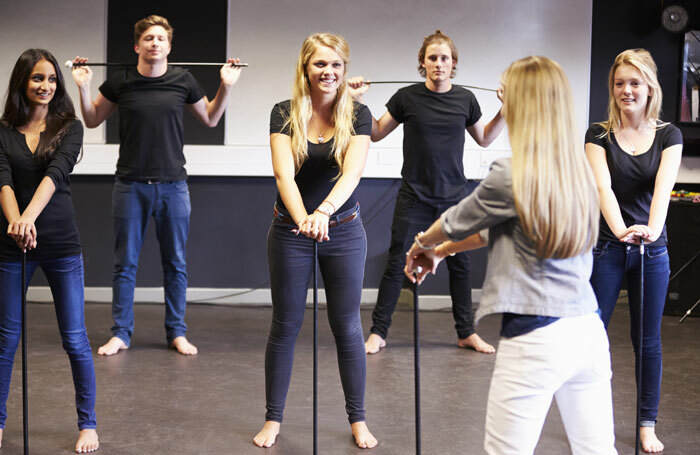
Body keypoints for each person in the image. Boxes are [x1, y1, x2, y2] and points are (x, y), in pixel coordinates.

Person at [405, 56, 617, 454]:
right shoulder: (577, 172)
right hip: (588, 332)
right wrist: (445, 252)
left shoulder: (511, 173)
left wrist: (424, 245)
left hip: (536, 336)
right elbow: (492, 232)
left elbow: (455, 220)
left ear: (521, 104)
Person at [71, 15, 242, 356]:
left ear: (168, 46)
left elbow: (210, 118)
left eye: (160, 38)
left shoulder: (183, 80)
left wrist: (226, 85)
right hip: (130, 185)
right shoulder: (120, 82)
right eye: (148, 38)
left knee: (175, 263)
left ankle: (177, 332)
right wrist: (83, 84)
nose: (154, 43)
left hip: (173, 186)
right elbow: (91, 119)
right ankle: (121, 334)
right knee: (125, 265)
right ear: (138, 46)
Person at [253, 33, 377, 449]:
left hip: (343, 231)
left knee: (347, 327)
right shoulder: (282, 113)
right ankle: (273, 419)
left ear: (344, 70)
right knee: (285, 325)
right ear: (305, 68)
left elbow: (353, 174)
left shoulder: (358, 114)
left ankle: (358, 420)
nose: (328, 72)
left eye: (336, 65)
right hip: (291, 231)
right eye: (320, 64)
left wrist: (323, 213)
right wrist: (304, 218)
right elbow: (283, 174)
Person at [348, 30, 505, 355]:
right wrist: (356, 102)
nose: (438, 63)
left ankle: (466, 332)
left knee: (459, 263)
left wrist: (506, 109)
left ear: (453, 63)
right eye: (432, 57)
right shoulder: (407, 97)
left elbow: (486, 139)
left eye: (444, 57)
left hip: (454, 197)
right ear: (423, 63)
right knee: (396, 263)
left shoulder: (465, 99)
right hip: (414, 196)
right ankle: (378, 332)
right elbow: (376, 132)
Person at [0, 49, 99, 453]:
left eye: (52, 79)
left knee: (74, 338)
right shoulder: (3, 129)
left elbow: (55, 175)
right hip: (10, 244)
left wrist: (28, 219)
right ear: (23, 81)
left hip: (59, 244)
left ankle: (88, 423)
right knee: (5, 339)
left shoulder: (69, 127)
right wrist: (15, 224)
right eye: (38, 78)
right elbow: (2, 180)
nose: (46, 86)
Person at [585, 48, 683, 453]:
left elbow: (663, 192)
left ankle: (646, 425)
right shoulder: (597, 134)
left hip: (652, 252)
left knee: (647, 342)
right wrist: (623, 230)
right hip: (609, 247)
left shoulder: (668, 135)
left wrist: (650, 232)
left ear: (650, 88)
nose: (627, 90)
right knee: (591, 338)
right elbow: (603, 189)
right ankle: (591, 423)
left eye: (635, 83)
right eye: (620, 82)